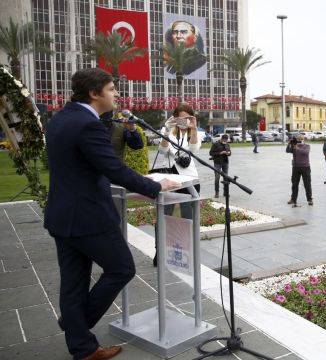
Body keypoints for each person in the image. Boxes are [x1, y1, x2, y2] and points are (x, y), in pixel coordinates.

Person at [43, 68, 178, 360]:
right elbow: (114, 169)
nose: (117, 94)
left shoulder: (60, 119)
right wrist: (155, 185)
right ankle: (74, 326)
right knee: (122, 269)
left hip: (61, 215)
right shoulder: (87, 125)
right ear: (95, 93)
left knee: (73, 284)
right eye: (112, 88)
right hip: (88, 217)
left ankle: (82, 347)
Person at [154, 103, 201, 266]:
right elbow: (162, 151)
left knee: (188, 218)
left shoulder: (194, 132)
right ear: (174, 117)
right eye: (180, 117)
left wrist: (193, 128)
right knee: (163, 215)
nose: (183, 121)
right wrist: (166, 129)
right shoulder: (168, 131)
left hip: (190, 180)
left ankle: (188, 251)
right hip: (170, 179)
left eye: (187, 117)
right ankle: (159, 252)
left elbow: (194, 151)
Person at [286, 134, 313, 206]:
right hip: (296, 167)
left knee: (307, 184)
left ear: (303, 139)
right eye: (298, 139)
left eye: (301, 139)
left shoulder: (307, 146)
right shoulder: (294, 146)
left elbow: (305, 153)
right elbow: (287, 150)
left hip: (305, 167)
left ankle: (310, 199)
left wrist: (297, 148)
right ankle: (293, 199)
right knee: (294, 184)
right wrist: (289, 144)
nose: (300, 140)